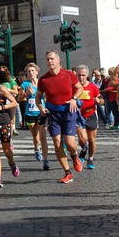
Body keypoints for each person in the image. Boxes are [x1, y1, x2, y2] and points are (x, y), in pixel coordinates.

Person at [35, 50, 84, 184]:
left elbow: (79, 88)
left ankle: (74, 156)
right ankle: (67, 172)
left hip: (68, 111)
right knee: (57, 143)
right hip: (53, 114)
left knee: (69, 143)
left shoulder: (68, 75)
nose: (49, 62)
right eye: (47, 60)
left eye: (52, 59)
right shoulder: (43, 79)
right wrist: (41, 108)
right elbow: (38, 97)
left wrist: (74, 98)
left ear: (58, 60)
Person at [20, 63, 50, 170]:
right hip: (30, 113)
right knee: (36, 138)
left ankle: (45, 160)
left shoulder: (42, 83)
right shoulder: (24, 84)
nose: (31, 73)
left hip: (41, 112)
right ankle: (37, 149)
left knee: (43, 137)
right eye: (28, 71)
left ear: (37, 72)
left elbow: (47, 96)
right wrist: (26, 94)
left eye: (32, 71)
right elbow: (19, 99)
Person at [75, 64, 102, 170]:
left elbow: (101, 98)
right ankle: (83, 148)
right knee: (82, 139)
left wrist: (99, 101)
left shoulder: (92, 86)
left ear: (87, 75)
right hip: (78, 116)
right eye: (79, 75)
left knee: (91, 140)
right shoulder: (74, 87)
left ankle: (90, 158)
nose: (81, 78)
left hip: (91, 115)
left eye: (83, 75)